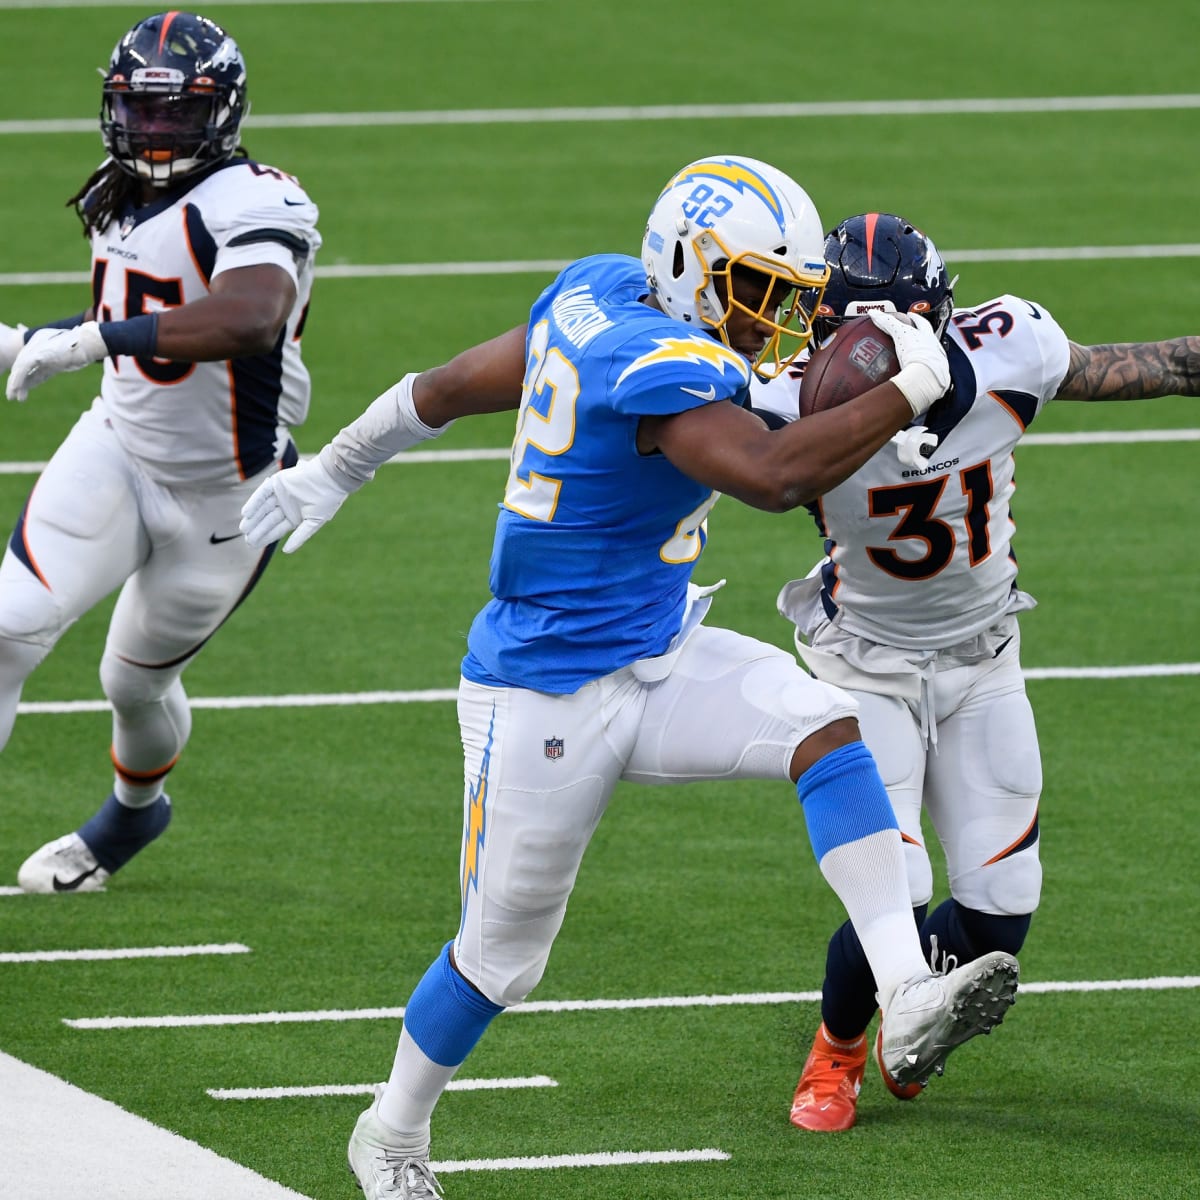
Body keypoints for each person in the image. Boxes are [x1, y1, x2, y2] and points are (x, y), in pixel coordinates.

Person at [239, 158, 1018, 1198]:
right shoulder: (657, 363)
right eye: (757, 286)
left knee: (827, 728)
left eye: (787, 290)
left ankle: (908, 985)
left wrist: (338, 465)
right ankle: (390, 1130)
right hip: (545, 689)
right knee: (500, 959)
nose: (775, 312)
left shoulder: (596, 290)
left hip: (655, 650)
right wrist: (908, 387)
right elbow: (775, 478)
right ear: (690, 268)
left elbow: (444, 387)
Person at [753, 212, 1200, 1132]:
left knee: (1000, 918)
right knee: (899, 890)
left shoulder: (1011, 347)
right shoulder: (790, 397)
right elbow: (727, 460)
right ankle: (835, 1051)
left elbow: (1160, 365)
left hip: (982, 659)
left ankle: (909, 1026)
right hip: (859, 667)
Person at [0, 11, 320, 893]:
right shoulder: (116, 188)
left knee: (131, 687)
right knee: (5, 632)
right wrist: (36, 338)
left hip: (226, 498)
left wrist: (96, 343)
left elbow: (249, 318)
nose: (156, 131)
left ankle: (132, 816)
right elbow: (133, 310)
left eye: (179, 112)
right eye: (139, 113)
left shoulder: (260, 198)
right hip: (114, 445)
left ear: (222, 112)